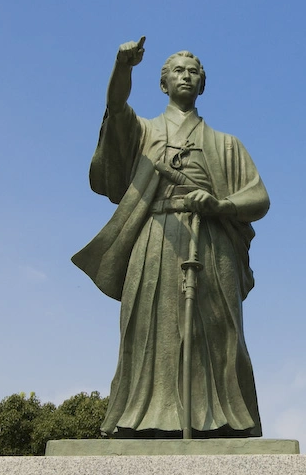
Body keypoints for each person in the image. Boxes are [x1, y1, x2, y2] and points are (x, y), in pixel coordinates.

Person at [72, 37, 269, 438]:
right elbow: (115, 108)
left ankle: (221, 420)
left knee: (216, 329)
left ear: (203, 84)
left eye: (193, 71)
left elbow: (258, 197)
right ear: (163, 84)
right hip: (155, 236)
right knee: (147, 328)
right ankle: (140, 417)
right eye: (177, 71)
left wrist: (221, 205)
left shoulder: (227, 145)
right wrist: (122, 68)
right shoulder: (143, 132)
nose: (186, 76)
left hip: (212, 240)